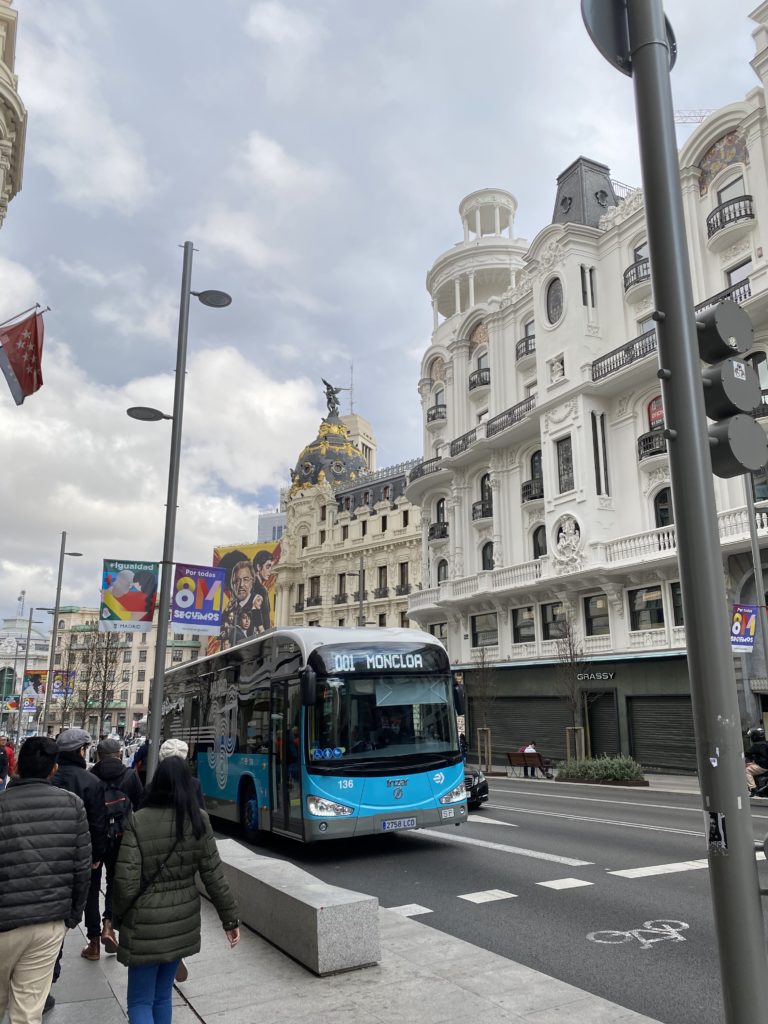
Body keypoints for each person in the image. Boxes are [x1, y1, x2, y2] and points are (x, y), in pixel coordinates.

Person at [113, 757, 240, 1024]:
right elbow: (213, 875)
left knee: (139, 1001)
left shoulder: (138, 821)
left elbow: (125, 882)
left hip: (145, 924)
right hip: (181, 922)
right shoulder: (198, 820)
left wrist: (118, 917)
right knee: (162, 996)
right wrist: (229, 920)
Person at [0, 736, 91, 1022]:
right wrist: (71, 917)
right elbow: (82, 869)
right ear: (53, 769)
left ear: (16, 765)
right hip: (48, 923)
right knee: (27, 1013)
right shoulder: (73, 805)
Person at [51, 728, 107, 963]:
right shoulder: (91, 781)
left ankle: (54, 952)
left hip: (52, 853)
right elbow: (97, 822)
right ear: (81, 750)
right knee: (91, 896)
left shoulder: (50, 777)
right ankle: (94, 942)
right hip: (84, 852)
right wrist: (97, 854)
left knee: (55, 901)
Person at [88, 738, 144, 955]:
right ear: (119, 754)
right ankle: (108, 925)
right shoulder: (130, 776)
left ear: (98, 756)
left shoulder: (91, 777)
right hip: (122, 839)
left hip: (95, 839)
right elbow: (139, 807)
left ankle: (93, 942)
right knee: (114, 882)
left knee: (92, 888)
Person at [745, 726, 768, 794]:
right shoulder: (765, 743)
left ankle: (753, 788)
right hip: (764, 764)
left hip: (763, 766)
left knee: (747, 771)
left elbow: (747, 754)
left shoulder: (756, 745)